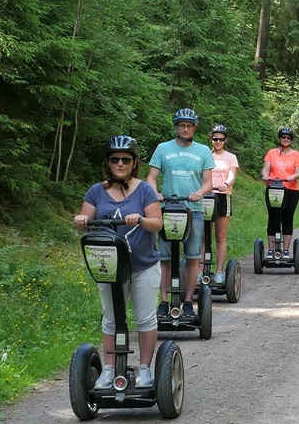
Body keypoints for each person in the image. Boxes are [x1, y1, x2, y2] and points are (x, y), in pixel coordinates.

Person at [74, 135, 163, 389]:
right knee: (111, 319)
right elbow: (85, 220)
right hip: (109, 267)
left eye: (126, 159)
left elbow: (158, 223)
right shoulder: (96, 191)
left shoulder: (145, 190)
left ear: (134, 163)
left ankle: (145, 369)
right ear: (108, 163)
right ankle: (109, 369)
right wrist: (81, 220)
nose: (120, 164)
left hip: (142, 264)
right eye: (115, 159)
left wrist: (142, 220)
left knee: (145, 318)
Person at [146, 108, 214, 318]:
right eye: (181, 125)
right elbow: (151, 176)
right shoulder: (163, 148)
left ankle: (187, 302)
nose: (185, 129)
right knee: (165, 258)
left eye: (189, 125)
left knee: (193, 256)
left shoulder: (203, 151)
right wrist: (154, 192)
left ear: (194, 128)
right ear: (176, 126)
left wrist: (199, 193)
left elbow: (209, 182)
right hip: (167, 209)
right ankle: (164, 301)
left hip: (193, 209)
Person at [260, 126, 299, 258]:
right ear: (279, 138)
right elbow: (265, 169)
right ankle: (271, 250)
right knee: (273, 218)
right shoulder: (271, 153)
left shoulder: (296, 155)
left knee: (287, 218)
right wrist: (265, 176)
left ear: (291, 140)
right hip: (273, 189)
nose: (285, 139)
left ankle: (285, 250)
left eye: (288, 137)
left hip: (291, 190)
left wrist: (293, 176)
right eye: (283, 137)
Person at [207, 124, 240, 286]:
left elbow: (233, 175)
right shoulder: (205, 155)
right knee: (203, 236)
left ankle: (219, 272)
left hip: (223, 197)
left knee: (220, 236)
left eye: (221, 139)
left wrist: (226, 183)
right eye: (215, 139)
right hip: (206, 197)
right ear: (211, 139)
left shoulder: (230, 157)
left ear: (225, 140)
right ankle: (200, 271)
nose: (218, 141)